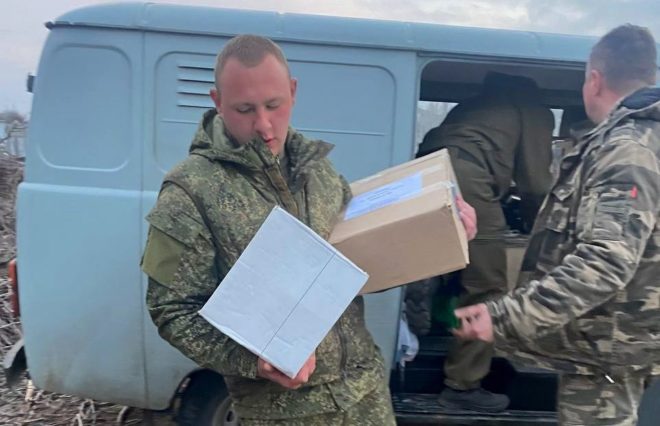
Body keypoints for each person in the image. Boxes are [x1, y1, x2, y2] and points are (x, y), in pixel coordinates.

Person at [141, 34, 477, 425]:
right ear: (217, 101)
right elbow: (172, 311)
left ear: (293, 92)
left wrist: (441, 230)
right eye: (244, 109)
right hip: (285, 413)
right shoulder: (190, 192)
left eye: (274, 105)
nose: (264, 124)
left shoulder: (318, 171)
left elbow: (361, 265)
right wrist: (252, 360)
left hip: (366, 396)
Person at [454, 24, 660, 426]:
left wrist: (505, 316)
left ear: (594, 81)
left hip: (606, 349)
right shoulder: (644, 142)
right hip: (618, 341)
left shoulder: (626, 152)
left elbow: (604, 262)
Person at [413, 72, 554, 412]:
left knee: (445, 265)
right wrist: (542, 227)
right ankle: (462, 385)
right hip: (469, 180)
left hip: (427, 172)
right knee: (487, 284)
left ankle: (426, 328)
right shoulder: (532, 108)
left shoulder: (476, 105)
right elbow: (535, 182)